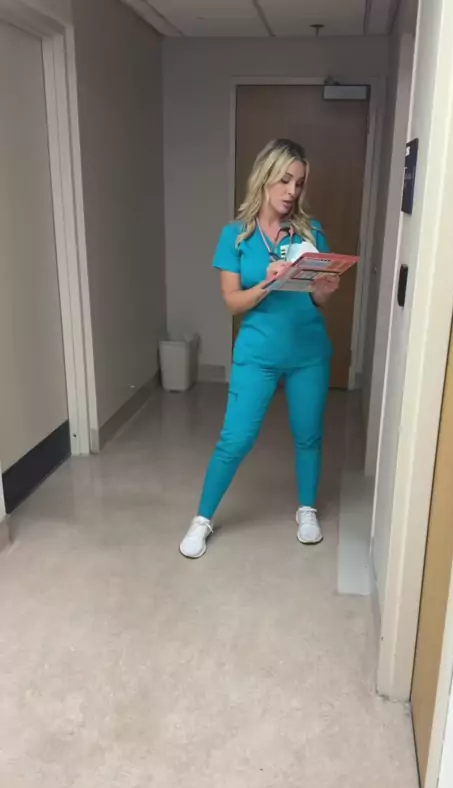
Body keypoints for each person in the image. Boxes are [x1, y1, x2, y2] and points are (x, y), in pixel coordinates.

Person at [180, 138, 339, 559]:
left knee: (309, 434)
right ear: (264, 177)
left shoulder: (311, 231)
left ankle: (307, 510)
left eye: (298, 183)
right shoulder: (235, 236)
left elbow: (318, 298)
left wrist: (325, 288)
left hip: (308, 353)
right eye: (284, 180)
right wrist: (268, 283)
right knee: (235, 438)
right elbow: (233, 303)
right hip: (257, 355)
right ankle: (202, 519)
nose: (291, 191)